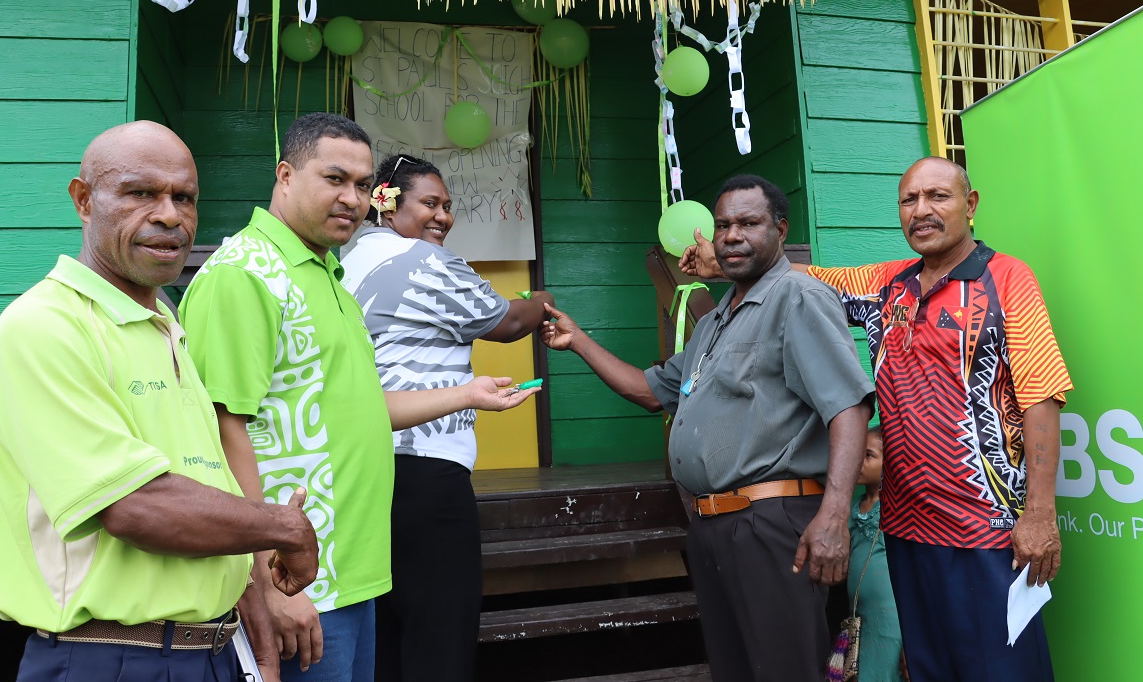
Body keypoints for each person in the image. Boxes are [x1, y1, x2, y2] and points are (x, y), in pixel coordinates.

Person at [680, 157, 1072, 682]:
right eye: (909, 200)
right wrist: (724, 263)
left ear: (971, 206)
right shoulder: (887, 285)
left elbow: (1041, 396)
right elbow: (805, 277)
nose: (921, 211)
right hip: (907, 526)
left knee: (1003, 670)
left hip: (989, 527)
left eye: (938, 197)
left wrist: (1040, 514)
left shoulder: (1007, 278)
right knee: (931, 666)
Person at [178, 114, 537, 682]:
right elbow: (220, 433)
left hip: (353, 569)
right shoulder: (245, 274)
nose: (352, 198)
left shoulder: (330, 276)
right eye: (334, 178)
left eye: (363, 185)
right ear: (285, 175)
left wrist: (467, 392)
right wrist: (264, 581)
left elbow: (367, 407)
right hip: (297, 581)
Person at [0, 121, 319, 682]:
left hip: (206, 651)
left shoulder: (163, 325)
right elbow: (133, 506)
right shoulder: (46, 327)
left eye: (184, 198)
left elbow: (203, 484)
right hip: (107, 657)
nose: (169, 215)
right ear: (83, 200)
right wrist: (283, 527)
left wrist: (251, 611)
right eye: (140, 194)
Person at [541, 175, 874, 682]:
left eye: (748, 223)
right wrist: (579, 341)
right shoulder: (718, 319)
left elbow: (848, 407)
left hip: (773, 524)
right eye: (723, 225)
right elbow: (651, 390)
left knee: (784, 670)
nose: (732, 235)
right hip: (714, 527)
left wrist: (833, 516)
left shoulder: (798, 298)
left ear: (780, 229)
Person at [337, 153, 554, 682]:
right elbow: (504, 322)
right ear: (385, 201)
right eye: (430, 203)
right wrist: (539, 300)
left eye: (448, 206)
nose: (443, 217)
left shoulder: (346, 259)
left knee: (385, 631)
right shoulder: (423, 261)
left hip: (365, 464)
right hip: (427, 471)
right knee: (440, 634)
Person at [847, 427, 903, 682]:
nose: (858, 461)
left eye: (868, 455)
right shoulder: (851, 507)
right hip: (859, 618)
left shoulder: (898, 509)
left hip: (892, 618)